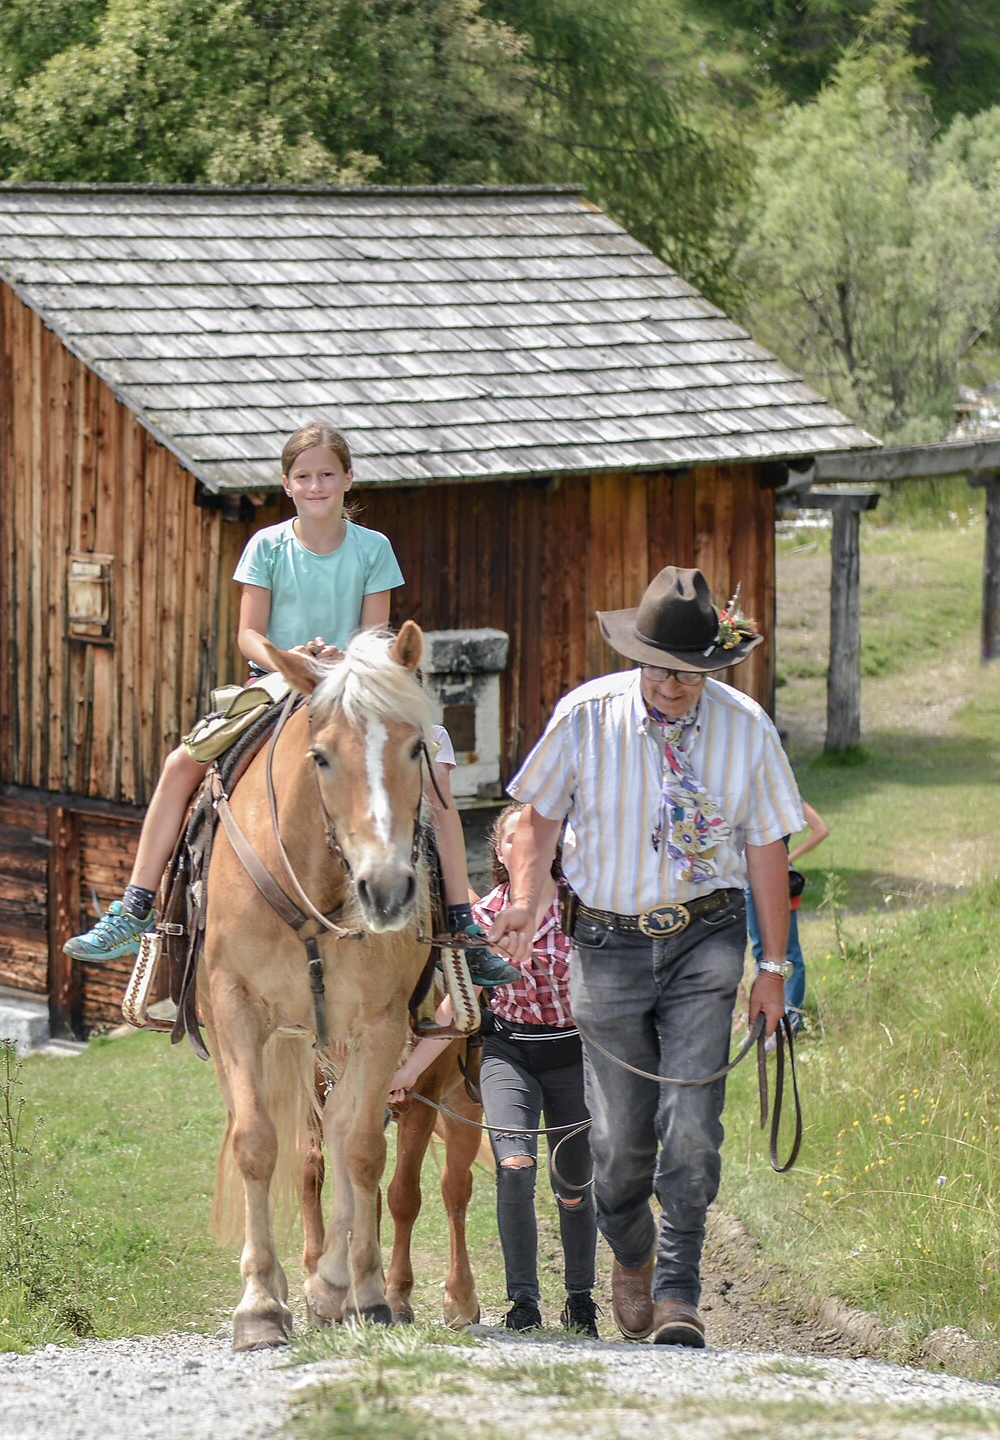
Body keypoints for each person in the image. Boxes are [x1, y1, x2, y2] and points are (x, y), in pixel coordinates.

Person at [65, 422, 521, 987]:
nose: (317, 485)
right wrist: (288, 656)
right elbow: (247, 635)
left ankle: (460, 925)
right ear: (287, 484)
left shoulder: (373, 548)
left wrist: (343, 657)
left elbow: (376, 636)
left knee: (436, 781)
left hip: (355, 683)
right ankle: (132, 907)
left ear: (347, 478)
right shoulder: (268, 546)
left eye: (327, 474)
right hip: (281, 678)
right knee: (180, 764)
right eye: (304, 477)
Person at [487, 566, 802, 1349]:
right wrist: (525, 903)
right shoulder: (585, 718)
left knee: (692, 1125)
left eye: (692, 672)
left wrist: (773, 969)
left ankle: (679, 1291)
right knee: (619, 1144)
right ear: (638, 658)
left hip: (706, 937)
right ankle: (632, 1250)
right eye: (662, 668)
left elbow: (767, 847)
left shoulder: (747, 728)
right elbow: (537, 821)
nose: (674, 685)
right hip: (607, 944)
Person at [391, 802, 599, 1337]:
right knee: (514, 1165)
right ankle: (523, 1302)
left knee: (572, 1181)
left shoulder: (586, 906)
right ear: (502, 852)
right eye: (514, 837)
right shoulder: (481, 917)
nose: (527, 844)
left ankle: (581, 1299)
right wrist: (409, 1072)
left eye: (538, 834)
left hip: (574, 1053)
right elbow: (455, 1004)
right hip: (509, 1052)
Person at [746, 801, 827, 1036]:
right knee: (760, 950)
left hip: (776, 880)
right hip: (748, 880)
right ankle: (764, 1024)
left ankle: (791, 1021)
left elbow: (821, 829)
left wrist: (787, 858)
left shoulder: (786, 794)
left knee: (788, 952)